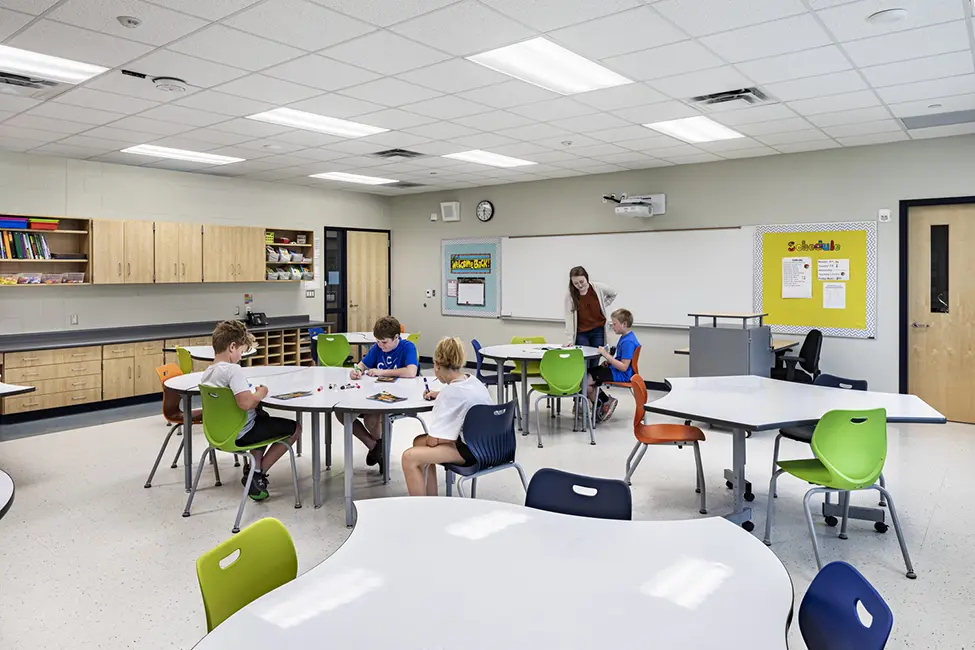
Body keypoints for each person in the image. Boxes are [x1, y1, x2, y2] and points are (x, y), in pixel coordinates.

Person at [199, 320, 301, 501]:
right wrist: (260, 393)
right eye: (241, 351)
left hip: (218, 435)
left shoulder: (207, 373)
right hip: (242, 434)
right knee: (295, 429)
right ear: (232, 347)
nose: (240, 356)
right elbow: (246, 403)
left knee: (263, 417)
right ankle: (257, 474)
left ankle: (254, 467)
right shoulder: (232, 370)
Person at [401, 336, 492, 496]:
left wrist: (443, 396)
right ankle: (431, 498)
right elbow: (460, 395)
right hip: (493, 445)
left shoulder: (449, 394)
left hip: (474, 452)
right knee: (418, 442)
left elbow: (436, 439)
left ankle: (420, 508)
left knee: (410, 457)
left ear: (436, 365)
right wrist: (440, 394)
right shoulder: (473, 381)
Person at [340, 315, 418, 473]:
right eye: (378, 341)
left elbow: (411, 372)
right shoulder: (377, 347)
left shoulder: (407, 347)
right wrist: (356, 372)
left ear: (396, 337)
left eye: (384, 342)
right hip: (372, 396)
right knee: (341, 412)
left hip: (396, 398)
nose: (381, 346)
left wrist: (382, 372)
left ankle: (378, 449)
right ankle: (375, 446)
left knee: (371, 418)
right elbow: (361, 365)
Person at [586, 308, 639, 422]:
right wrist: (609, 362)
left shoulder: (628, 342)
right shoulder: (625, 337)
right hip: (615, 370)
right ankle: (604, 402)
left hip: (621, 374)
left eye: (615, 324)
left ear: (624, 324)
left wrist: (606, 355)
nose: (612, 326)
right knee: (586, 376)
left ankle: (604, 403)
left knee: (586, 381)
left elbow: (624, 367)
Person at [564, 266, 618, 350]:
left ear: (587, 278)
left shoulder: (597, 288)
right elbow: (569, 317)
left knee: (595, 358)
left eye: (582, 281)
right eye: (576, 283)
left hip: (598, 331)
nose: (579, 285)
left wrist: (602, 305)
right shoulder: (570, 295)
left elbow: (613, 293)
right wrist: (569, 340)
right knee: (584, 359)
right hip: (581, 333)